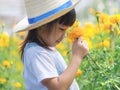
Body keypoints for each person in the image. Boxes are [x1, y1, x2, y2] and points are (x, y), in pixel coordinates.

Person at [14, 0, 89, 90]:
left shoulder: (46, 49)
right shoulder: (36, 52)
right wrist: (77, 57)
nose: (64, 35)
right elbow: (57, 87)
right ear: (43, 26)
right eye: (61, 29)